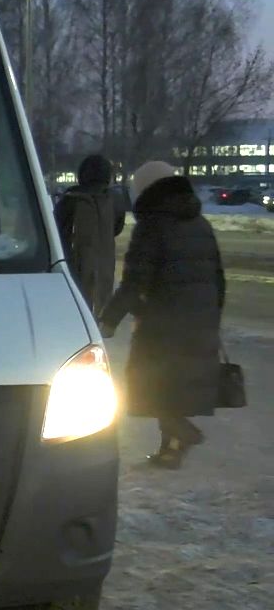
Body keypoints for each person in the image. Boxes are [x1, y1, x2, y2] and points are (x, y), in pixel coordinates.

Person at [99, 161, 224, 469]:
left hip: (162, 322)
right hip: (199, 320)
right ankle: (170, 451)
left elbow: (134, 281)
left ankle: (184, 433)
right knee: (173, 387)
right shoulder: (200, 224)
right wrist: (212, 316)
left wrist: (109, 319)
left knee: (151, 383)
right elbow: (219, 278)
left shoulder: (152, 226)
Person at [55, 153, 126, 314]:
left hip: (74, 269)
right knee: (100, 309)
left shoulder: (69, 200)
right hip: (105, 268)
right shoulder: (114, 200)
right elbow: (117, 229)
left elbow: (58, 233)